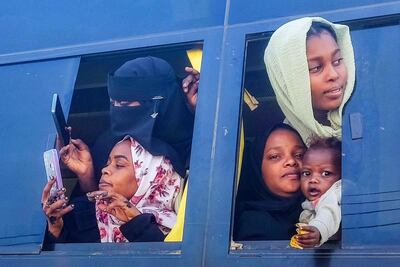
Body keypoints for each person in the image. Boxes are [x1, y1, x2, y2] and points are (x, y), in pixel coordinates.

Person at [63, 57, 195, 194]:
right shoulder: (107, 146)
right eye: (113, 103)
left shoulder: (201, 141)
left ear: (157, 102)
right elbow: (90, 211)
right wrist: (86, 177)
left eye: (124, 104)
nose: (117, 110)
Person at [42, 136, 181, 243]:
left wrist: (137, 223)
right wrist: (55, 229)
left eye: (119, 165)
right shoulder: (84, 215)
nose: (105, 170)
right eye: (107, 163)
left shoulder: (176, 233)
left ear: (151, 177)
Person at [264, 17, 355, 142]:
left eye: (337, 61)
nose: (333, 75)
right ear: (288, 81)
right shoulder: (286, 151)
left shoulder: (368, 120)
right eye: (316, 68)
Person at [233, 123, 306, 240]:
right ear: (257, 168)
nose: (291, 161)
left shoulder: (324, 207)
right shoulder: (253, 224)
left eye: (299, 155)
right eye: (275, 156)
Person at [290, 137, 341, 248]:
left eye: (326, 173)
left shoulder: (335, 193)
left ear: (341, 176)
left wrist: (318, 230)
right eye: (307, 173)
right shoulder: (311, 201)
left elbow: (329, 213)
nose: (313, 179)